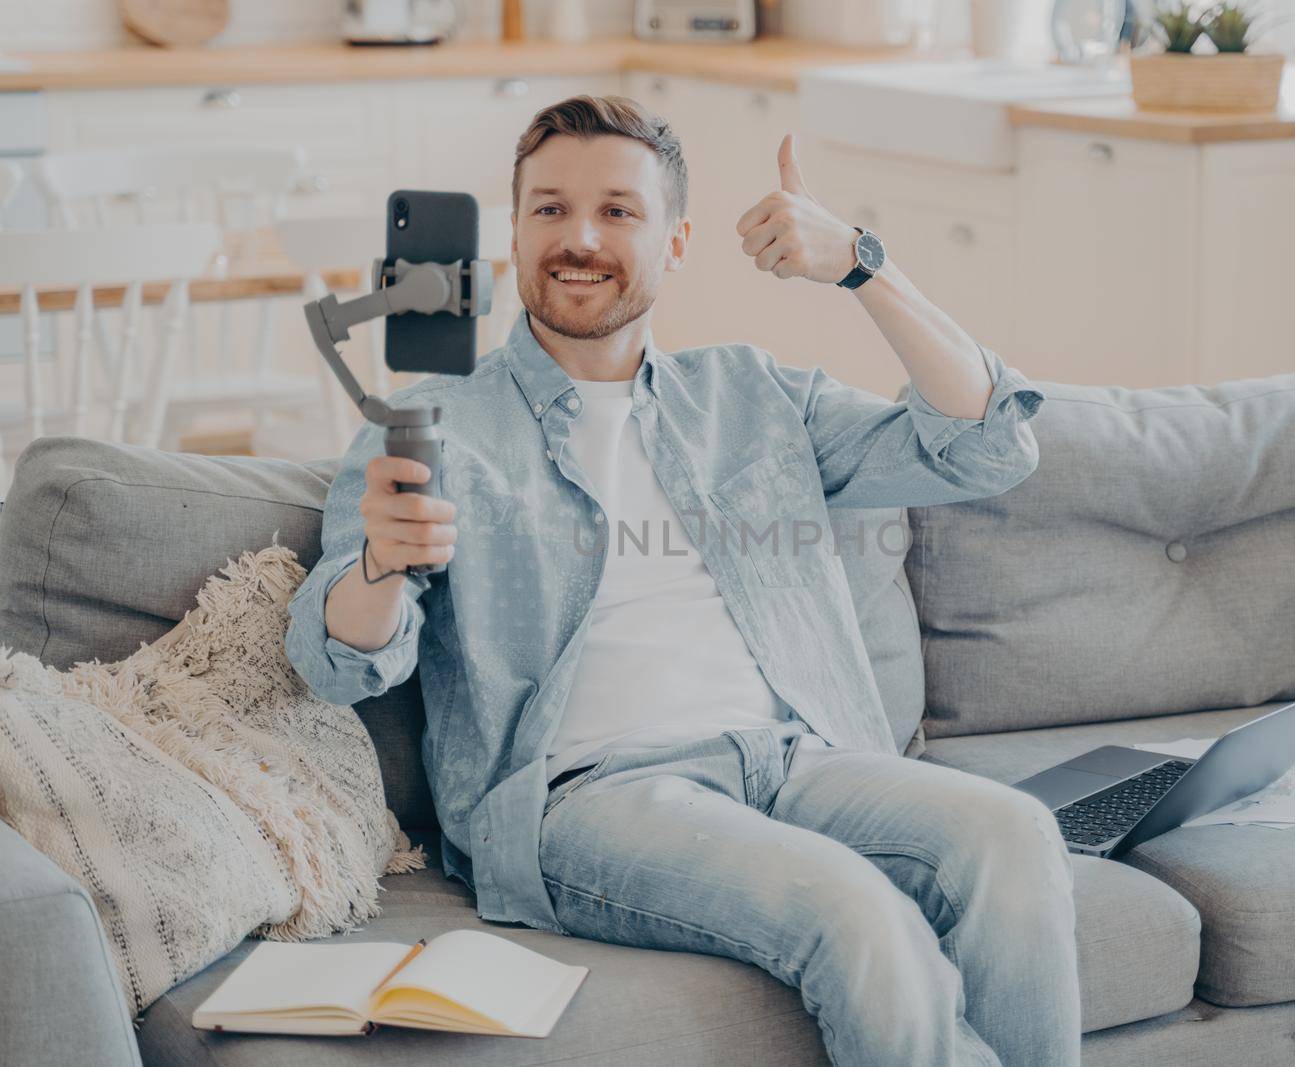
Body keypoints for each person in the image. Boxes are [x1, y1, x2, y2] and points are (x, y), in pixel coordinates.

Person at [285, 94, 1080, 1066]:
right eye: (548, 209)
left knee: (1015, 835)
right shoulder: (430, 421)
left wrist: (862, 265)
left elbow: (987, 449)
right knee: (863, 917)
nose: (578, 237)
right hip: (588, 798)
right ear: (514, 228)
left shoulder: (750, 393)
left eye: (618, 209)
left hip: (794, 759)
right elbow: (338, 663)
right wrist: (378, 560)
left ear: (677, 238)